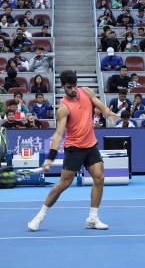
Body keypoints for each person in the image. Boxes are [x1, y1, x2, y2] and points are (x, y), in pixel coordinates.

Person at [27, 70, 119, 232]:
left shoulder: (86, 91)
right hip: (74, 148)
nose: (73, 90)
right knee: (64, 183)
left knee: (99, 177)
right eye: (69, 87)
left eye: (75, 86)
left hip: (90, 145)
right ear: (63, 86)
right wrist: (50, 157)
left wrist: (109, 113)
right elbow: (58, 135)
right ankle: (39, 216)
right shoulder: (63, 108)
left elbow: (101, 106)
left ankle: (93, 218)